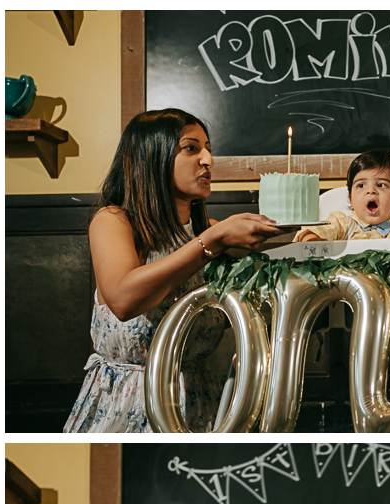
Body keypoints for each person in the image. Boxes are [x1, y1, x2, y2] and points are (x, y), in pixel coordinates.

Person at [63, 109, 285, 434]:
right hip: (129, 404)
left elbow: (283, 253)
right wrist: (211, 240)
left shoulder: (210, 232)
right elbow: (124, 301)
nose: (208, 159)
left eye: (207, 148)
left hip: (199, 402)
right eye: (191, 148)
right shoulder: (114, 220)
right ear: (153, 155)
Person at [294, 149, 390, 243]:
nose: (371, 190)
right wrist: (314, 243)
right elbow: (309, 233)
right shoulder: (342, 224)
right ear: (351, 200)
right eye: (361, 185)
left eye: (381, 185)